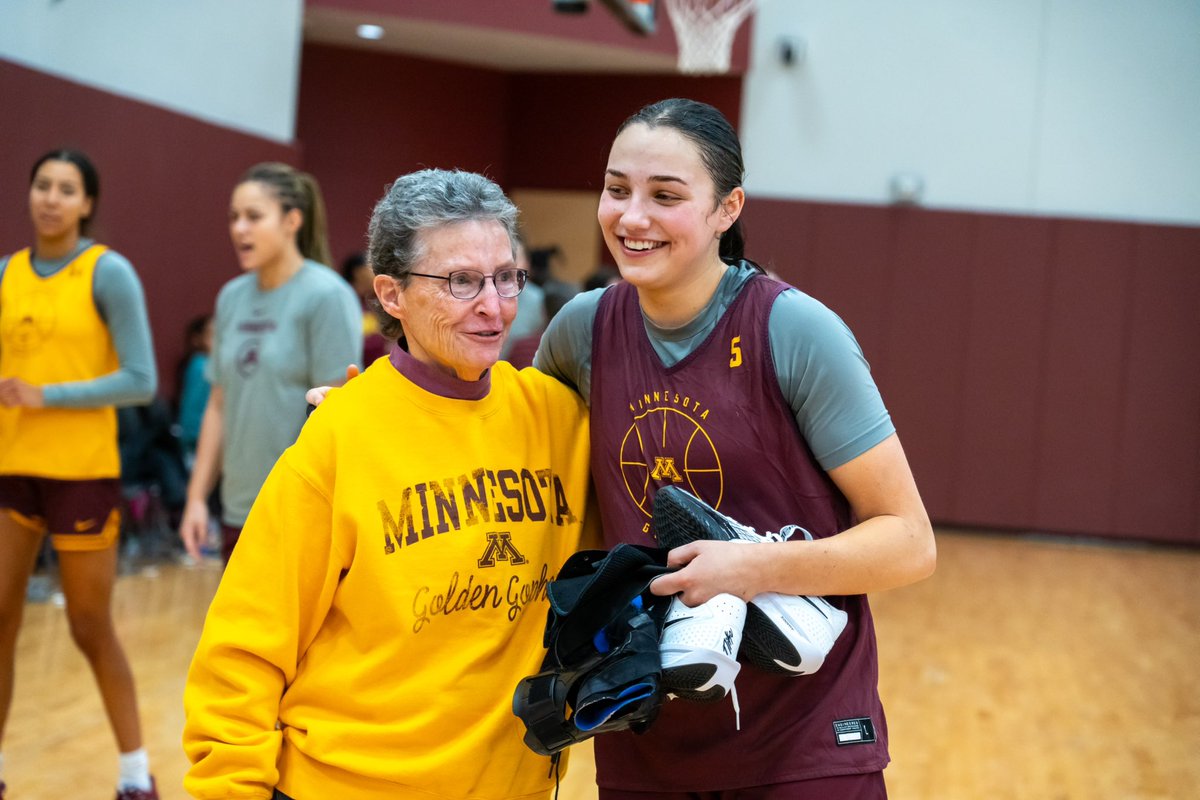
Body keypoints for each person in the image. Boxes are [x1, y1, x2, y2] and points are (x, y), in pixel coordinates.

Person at [533, 98, 937, 798]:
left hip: (801, 742)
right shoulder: (581, 331)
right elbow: (498, 443)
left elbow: (910, 543)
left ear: (727, 208)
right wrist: (370, 409)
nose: (631, 217)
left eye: (665, 196)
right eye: (616, 188)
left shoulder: (796, 331)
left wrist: (753, 567)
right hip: (644, 733)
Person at [182, 168, 593, 799]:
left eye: (506, 277)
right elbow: (241, 653)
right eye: (460, 281)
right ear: (391, 296)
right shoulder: (340, 435)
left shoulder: (560, 420)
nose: (492, 305)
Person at [0, 148, 161, 799]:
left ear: (87, 203)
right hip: (13, 468)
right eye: (43, 185)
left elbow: (142, 381)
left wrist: (49, 395)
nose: (52, 198)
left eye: (67, 189)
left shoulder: (108, 273)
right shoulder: (7, 273)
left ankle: (134, 773)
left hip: (83, 476)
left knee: (88, 626)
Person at [178, 162, 362, 564]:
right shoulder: (230, 298)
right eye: (234, 218)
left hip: (302, 511)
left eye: (253, 217)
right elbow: (218, 404)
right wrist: (195, 499)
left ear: (292, 220)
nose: (239, 228)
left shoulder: (326, 295)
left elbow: (338, 415)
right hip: (238, 508)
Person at [175, 313, 213, 467]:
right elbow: (192, 411)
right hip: (198, 441)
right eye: (212, 335)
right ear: (197, 339)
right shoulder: (202, 366)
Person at [340, 251, 389, 364]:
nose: (375, 273)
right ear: (358, 272)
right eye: (370, 268)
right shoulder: (345, 303)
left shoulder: (379, 301)